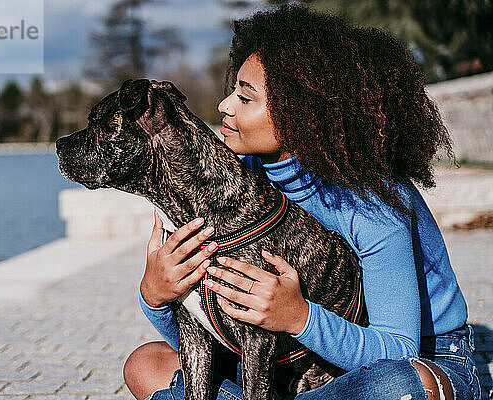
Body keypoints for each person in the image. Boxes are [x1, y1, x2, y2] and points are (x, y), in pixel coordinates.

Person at [122, 4, 481, 400]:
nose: (224, 106)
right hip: (285, 361)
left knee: (404, 386)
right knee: (147, 363)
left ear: (301, 111)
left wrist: (298, 317)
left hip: (417, 358)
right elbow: (217, 335)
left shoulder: (374, 203)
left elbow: (397, 352)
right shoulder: (238, 178)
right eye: (233, 90)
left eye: (245, 97)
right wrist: (157, 294)